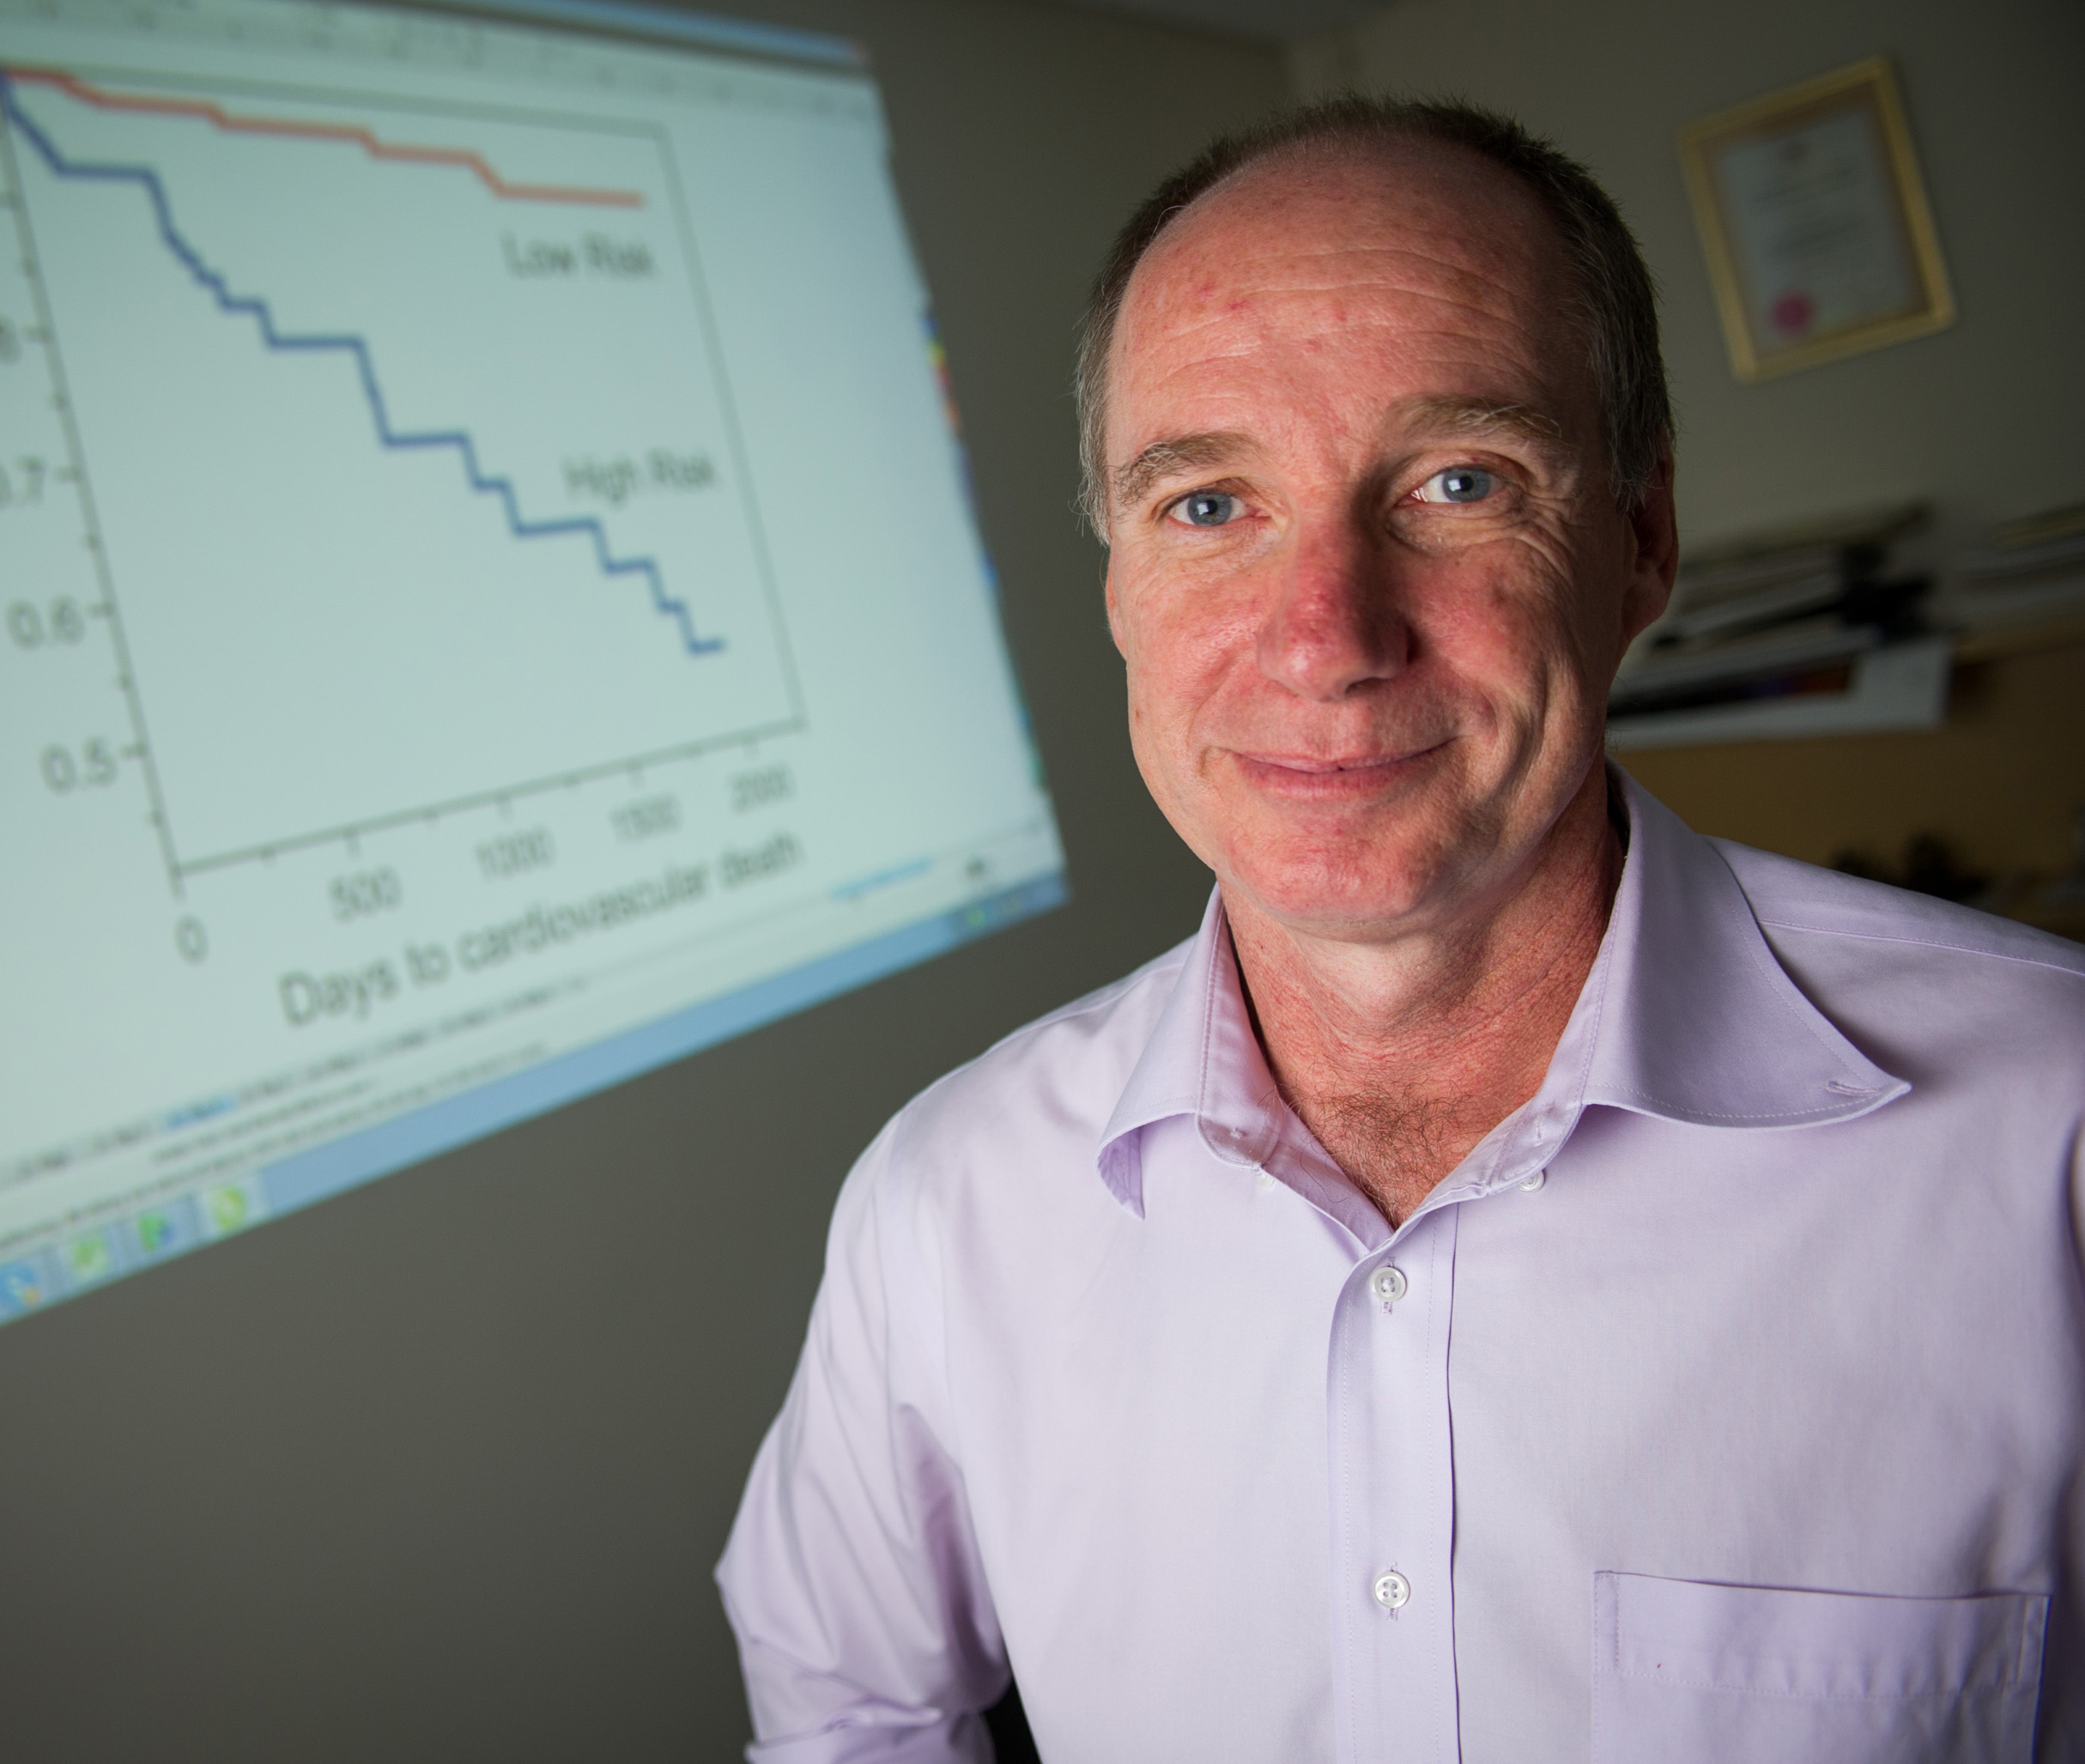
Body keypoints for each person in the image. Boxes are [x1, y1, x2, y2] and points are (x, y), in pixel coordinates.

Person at [715, 97, 2085, 1762]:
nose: (1328, 640)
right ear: (1117, 590)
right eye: (1208, 506)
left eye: (1455, 481)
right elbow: (849, 1705)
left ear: (1641, 538)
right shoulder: (943, 1214)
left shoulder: (2048, 1139)